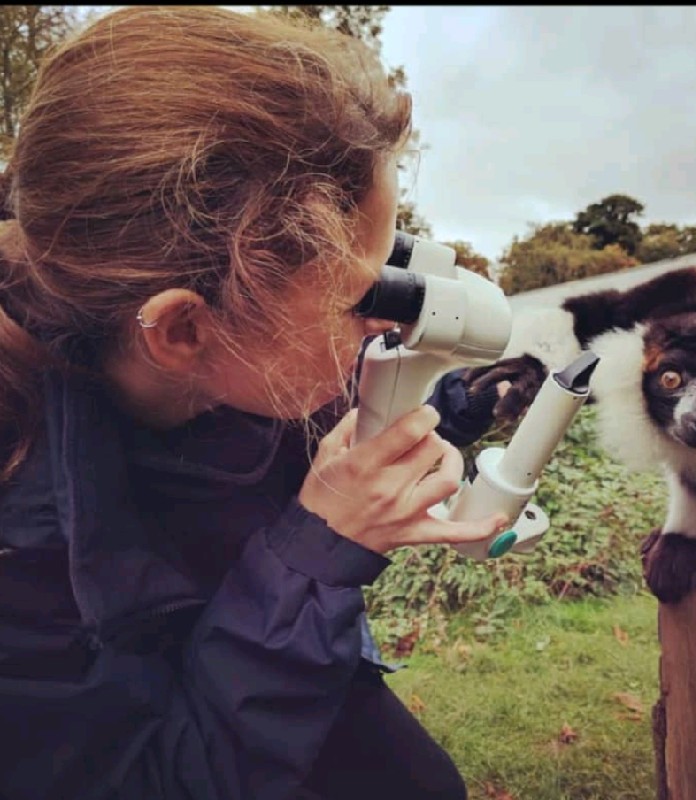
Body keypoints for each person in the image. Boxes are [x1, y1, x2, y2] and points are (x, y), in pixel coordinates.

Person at [0, 7, 516, 800]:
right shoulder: (21, 539)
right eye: (359, 296)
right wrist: (321, 549)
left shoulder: (230, 348)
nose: (391, 318)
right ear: (182, 330)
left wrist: (440, 415)